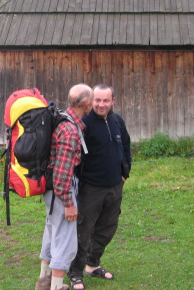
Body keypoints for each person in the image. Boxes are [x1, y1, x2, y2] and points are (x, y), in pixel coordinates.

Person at [68, 83, 132, 290]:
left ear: (113, 101)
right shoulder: (84, 122)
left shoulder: (116, 120)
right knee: (83, 230)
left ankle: (92, 264)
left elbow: (126, 146)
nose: (101, 104)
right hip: (90, 188)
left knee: (107, 228)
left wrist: (124, 173)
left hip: (115, 186)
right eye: (97, 100)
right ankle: (75, 272)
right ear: (90, 101)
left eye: (106, 100)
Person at [35, 83, 94, 290]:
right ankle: (57, 286)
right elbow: (62, 175)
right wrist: (69, 203)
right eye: (92, 100)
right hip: (61, 191)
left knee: (52, 232)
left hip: (51, 191)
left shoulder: (62, 119)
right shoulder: (69, 130)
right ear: (87, 103)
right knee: (65, 239)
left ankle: (44, 281)